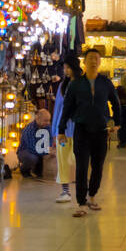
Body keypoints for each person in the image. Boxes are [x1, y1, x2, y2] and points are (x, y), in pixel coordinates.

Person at [58, 47, 121, 217]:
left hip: (101, 131)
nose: (93, 61)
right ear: (84, 62)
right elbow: (67, 107)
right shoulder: (76, 84)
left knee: (98, 166)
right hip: (82, 130)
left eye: (96, 59)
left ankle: (92, 195)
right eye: (90, 58)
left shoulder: (105, 83)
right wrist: (61, 129)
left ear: (100, 62)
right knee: (82, 167)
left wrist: (117, 123)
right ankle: (81, 202)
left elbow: (116, 103)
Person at [50, 60, 78, 203]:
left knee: (80, 160)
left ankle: (82, 191)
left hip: (79, 128)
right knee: (62, 161)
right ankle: (65, 191)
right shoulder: (62, 86)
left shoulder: (82, 84)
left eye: (68, 67)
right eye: (65, 68)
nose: (66, 71)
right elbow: (58, 109)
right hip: (63, 129)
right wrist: (54, 131)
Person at [17, 108, 53, 178]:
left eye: (49, 120)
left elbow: (50, 138)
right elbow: (32, 148)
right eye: (45, 120)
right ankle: (24, 170)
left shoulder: (47, 127)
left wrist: (50, 147)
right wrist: (46, 152)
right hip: (25, 151)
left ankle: (38, 172)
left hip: (39, 149)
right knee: (32, 157)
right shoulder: (29, 129)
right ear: (37, 119)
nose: (48, 123)